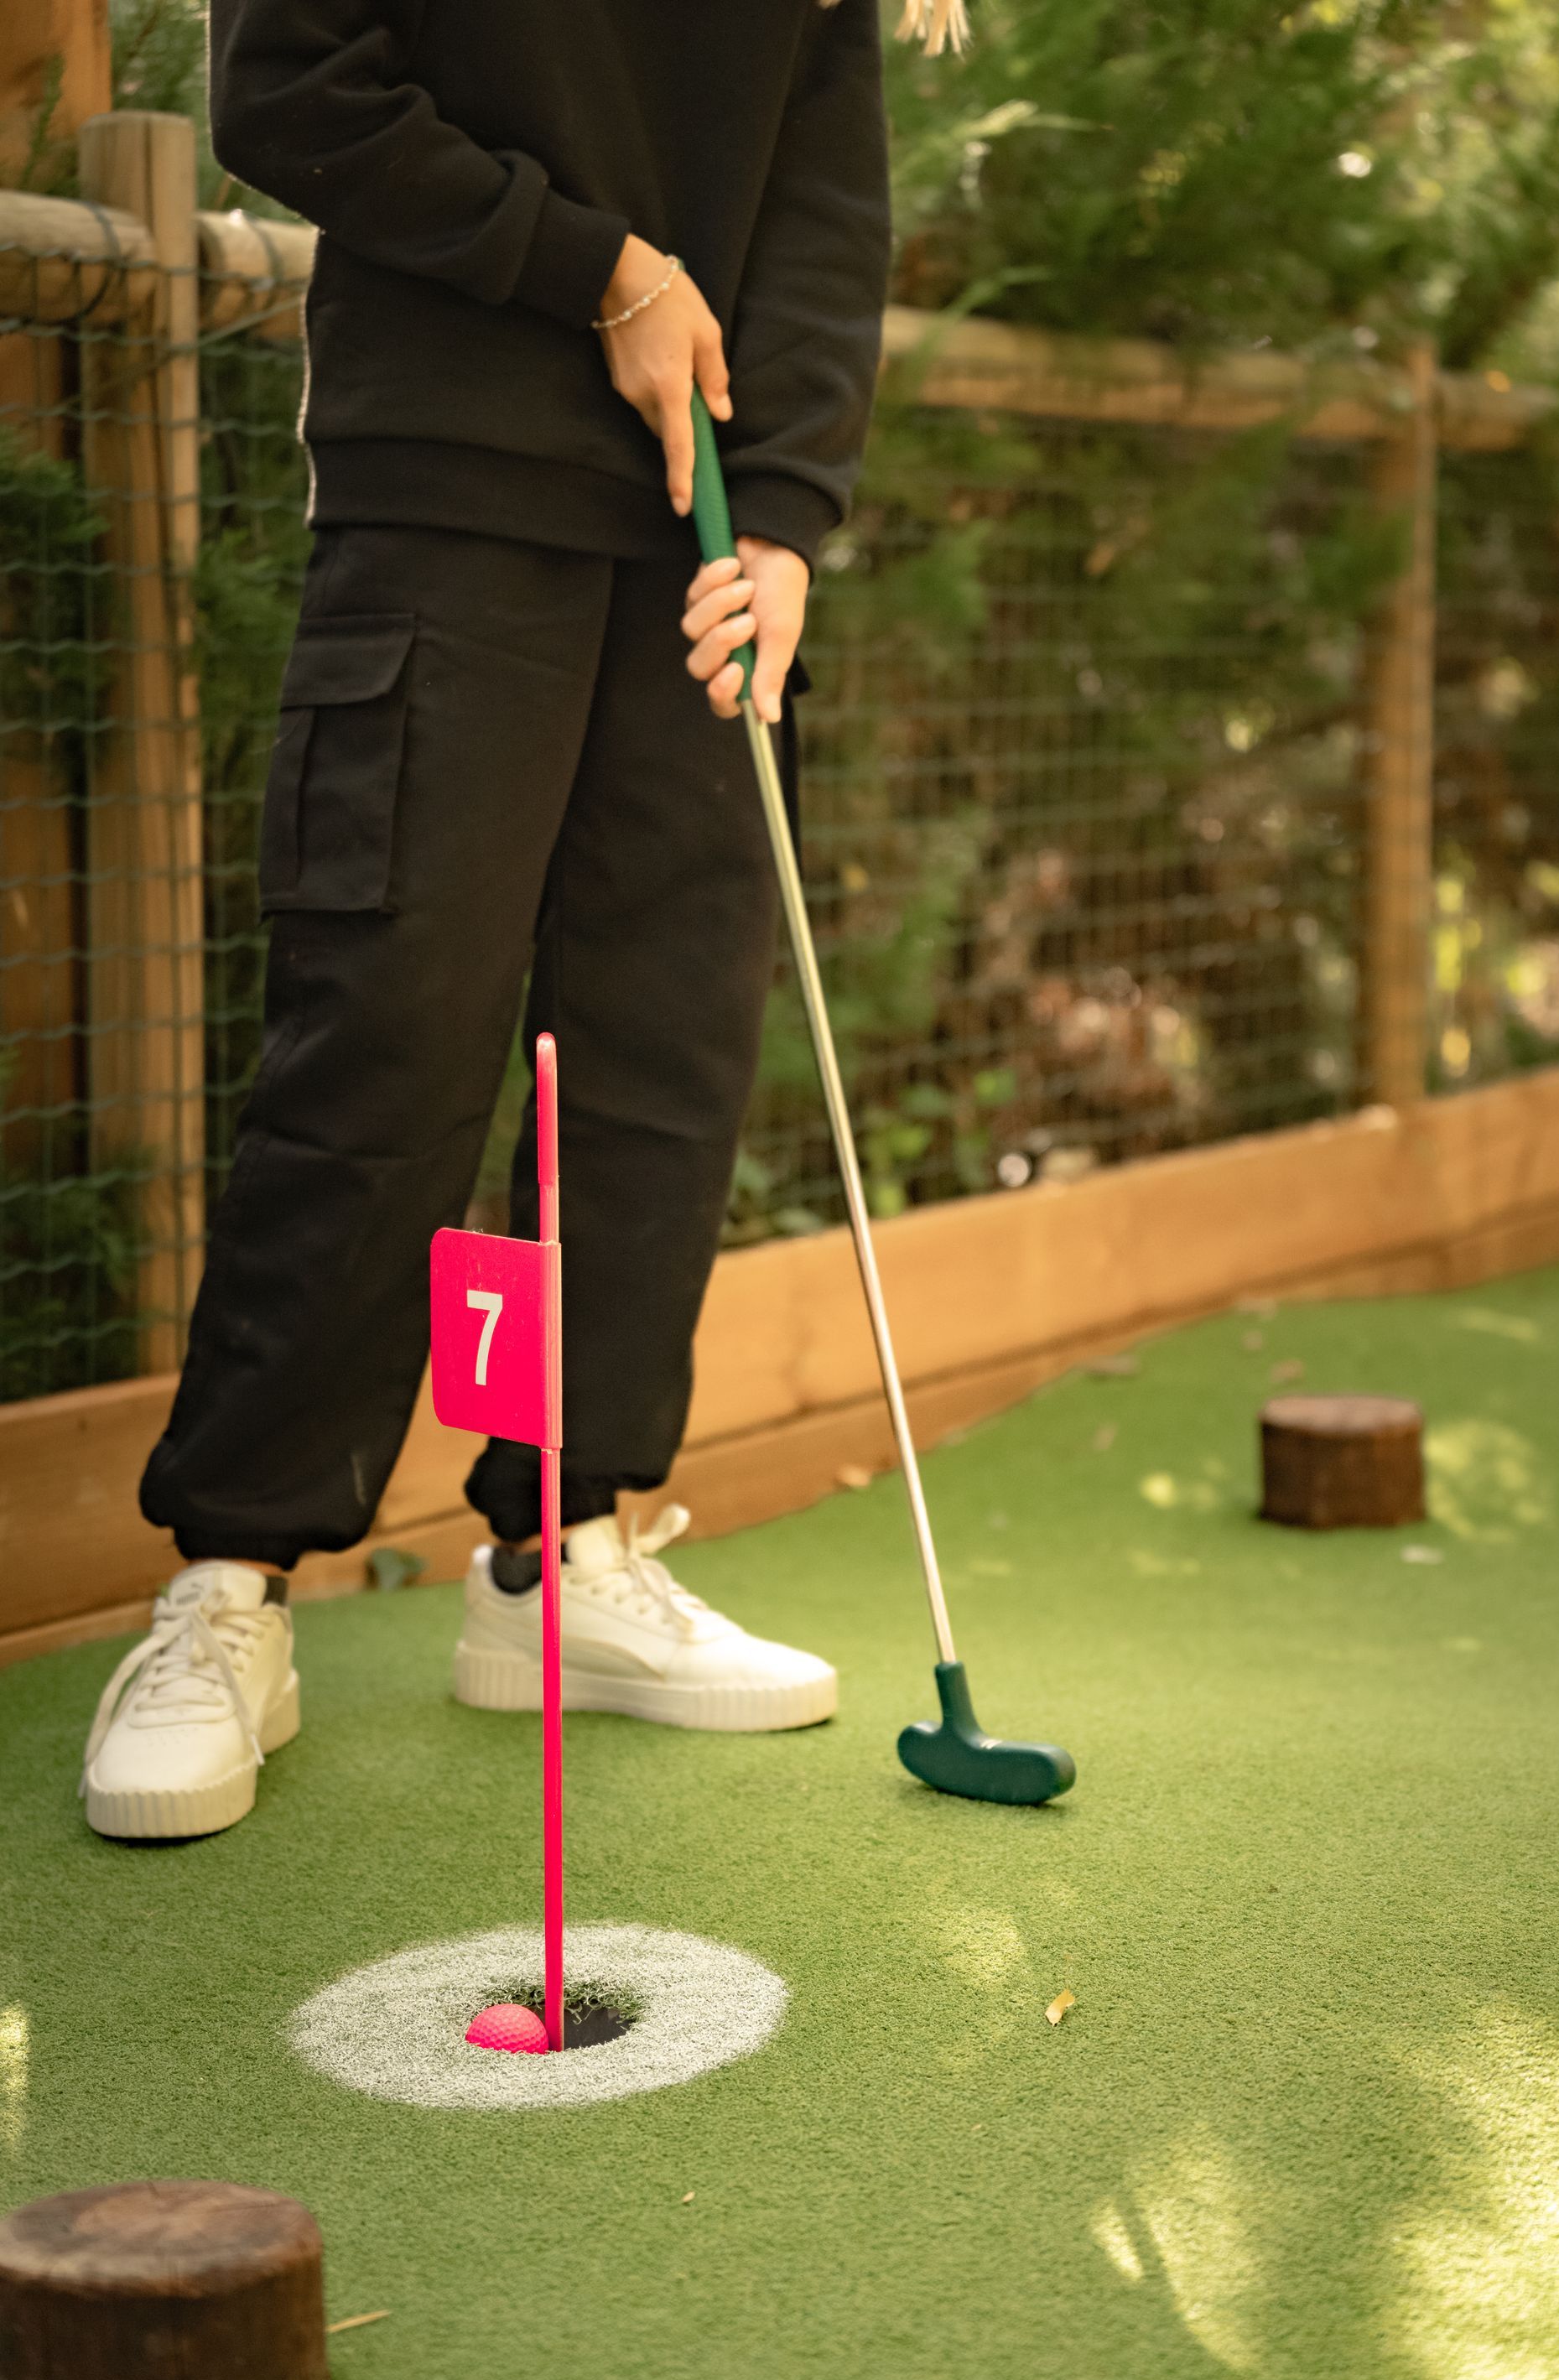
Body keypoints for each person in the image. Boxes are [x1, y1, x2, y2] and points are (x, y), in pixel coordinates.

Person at [80, 0, 967, 1840]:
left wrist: (789, 514)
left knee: (654, 1053)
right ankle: (232, 1585)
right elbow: (289, 86)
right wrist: (603, 274)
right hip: (447, 488)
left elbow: (822, 195)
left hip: (701, 529)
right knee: (388, 1027)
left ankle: (559, 1556)